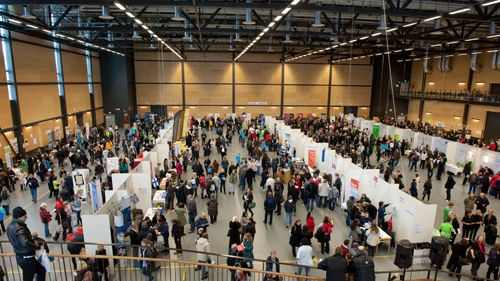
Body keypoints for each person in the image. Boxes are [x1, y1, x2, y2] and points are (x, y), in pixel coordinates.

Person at [7, 206, 46, 281]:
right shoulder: (19, 227)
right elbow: (25, 242)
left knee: (40, 271)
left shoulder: (10, 226)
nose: (26, 217)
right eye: (25, 216)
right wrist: (36, 245)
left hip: (21, 257)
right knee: (29, 277)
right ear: (20, 217)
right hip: (27, 259)